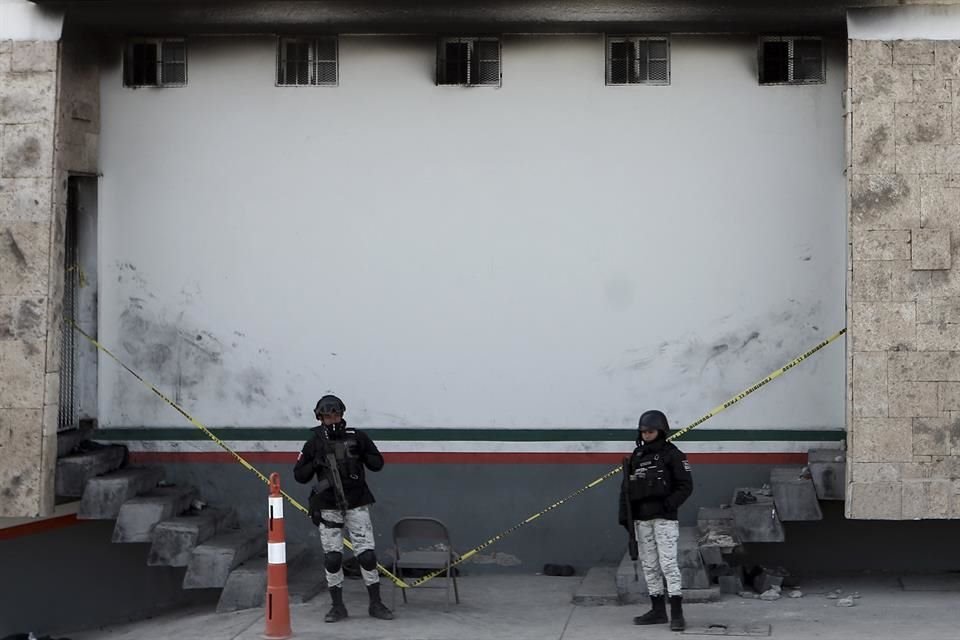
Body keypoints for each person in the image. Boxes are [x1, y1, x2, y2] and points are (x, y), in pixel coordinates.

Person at [293, 394, 394, 622]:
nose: (333, 420)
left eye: (336, 415)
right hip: (328, 505)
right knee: (332, 558)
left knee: (367, 556)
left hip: (357, 502)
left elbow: (377, 463)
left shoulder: (357, 436)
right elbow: (299, 475)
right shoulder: (314, 442)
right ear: (320, 418)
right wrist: (315, 462)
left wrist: (361, 453)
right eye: (328, 417)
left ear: (342, 415)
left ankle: (376, 603)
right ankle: (337, 606)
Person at [618, 409, 693, 631]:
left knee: (668, 565)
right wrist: (625, 516)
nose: (646, 435)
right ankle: (658, 610)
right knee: (649, 565)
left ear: (660, 431)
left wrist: (668, 505)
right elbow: (626, 489)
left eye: (650, 431)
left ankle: (677, 614)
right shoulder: (637, 455)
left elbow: (685, 486)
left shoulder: (673, 454)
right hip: (642, 520)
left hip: (664, 519)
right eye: (643, 432)